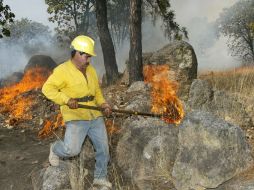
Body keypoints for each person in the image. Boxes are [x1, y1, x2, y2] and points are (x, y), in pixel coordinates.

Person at [42, 35, 112, 189]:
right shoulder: (62, 70)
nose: (89, 60)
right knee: (71, 150)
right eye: (87, 56)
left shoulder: (91, 70)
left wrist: (104, 104)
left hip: (95, 115)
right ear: (77, 53)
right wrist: (66, 100)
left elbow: (96, 92)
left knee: (103, 149)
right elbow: (47, 89)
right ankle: (55, 148)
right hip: (76, 117)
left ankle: (100, 178)